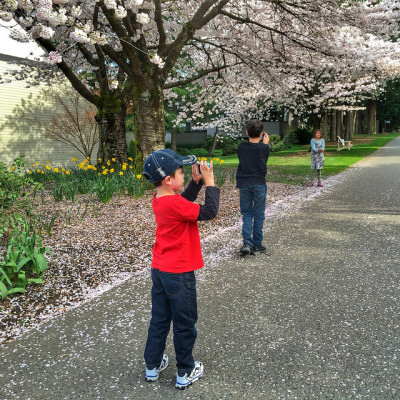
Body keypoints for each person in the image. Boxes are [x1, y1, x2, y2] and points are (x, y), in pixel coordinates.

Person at [142, 149, 220, 390]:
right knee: (185, 322)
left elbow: (182, 202)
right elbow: (209, 212)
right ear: (168, 180)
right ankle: (185, 370)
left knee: (160, 320)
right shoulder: (174, 203)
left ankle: (152, 366)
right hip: (180, 274)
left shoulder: (160, 199)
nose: (183, 174)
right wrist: (210, 183)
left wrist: (194, 183)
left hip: (160, 270)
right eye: (180, 172)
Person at [236, 119, 270, 255]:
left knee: (247, 214)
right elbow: (262, 157)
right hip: (259, 183)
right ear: (262, 134)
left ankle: (247, 242)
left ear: (246, 132)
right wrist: (265, 143)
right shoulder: (265, 148)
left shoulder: (241, 147)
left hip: (244, 183)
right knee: (259, 214)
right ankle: (257, 244)